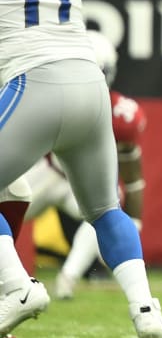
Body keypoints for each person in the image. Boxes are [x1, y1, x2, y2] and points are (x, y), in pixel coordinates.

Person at [0, 0, 162, 338]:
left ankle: (16, 289)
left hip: (32, 84)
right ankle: (145, 311)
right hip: (89, 83)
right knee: (104, 209)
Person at [14, 32, 148, 301]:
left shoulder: (121, 113)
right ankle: (13, 283)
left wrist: (133, 221)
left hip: (81, 183)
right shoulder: (48, 97)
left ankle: (68, 277)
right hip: (47, 173)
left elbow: (133, 176)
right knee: (7, 204)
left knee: (110, 207)